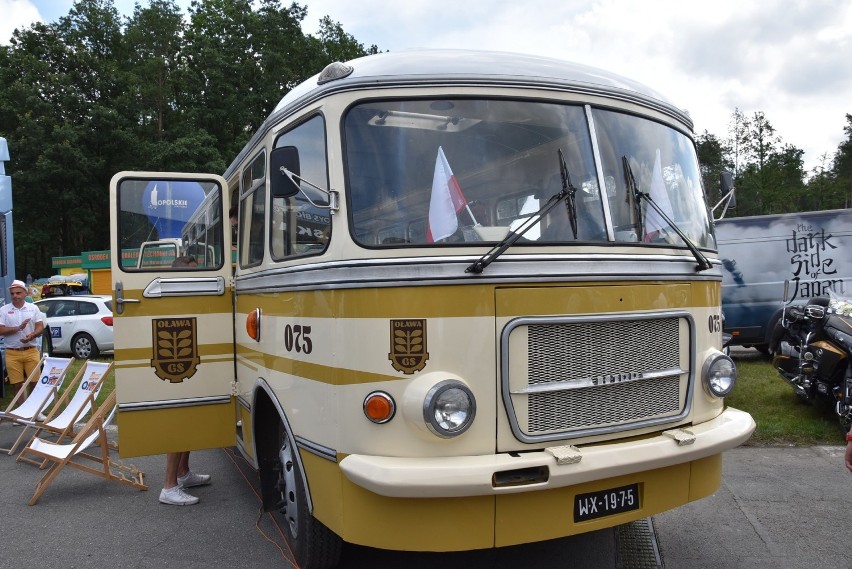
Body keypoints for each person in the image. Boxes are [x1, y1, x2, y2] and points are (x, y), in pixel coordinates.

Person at [159, 255, 210, 506]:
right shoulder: (172, 298)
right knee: (177, 424)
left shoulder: (188, 294)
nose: (198, 275)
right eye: (193, 271)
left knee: (188, 421)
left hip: (191, 364)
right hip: (177, 369)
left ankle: (183, 473)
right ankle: (169, 487)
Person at [0, 280, 46, 398]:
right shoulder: (4, 310)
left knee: (34, 382)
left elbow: (40, 327)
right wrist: (18, 328)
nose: (15, 296)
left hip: (31, 350)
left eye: (18, 293)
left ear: (25, 293)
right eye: (12, 293)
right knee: (16, 384)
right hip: (12, 351)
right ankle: (21, 413)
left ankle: (33, 410)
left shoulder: (33, 308)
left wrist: (33, 335)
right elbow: (1, 330)